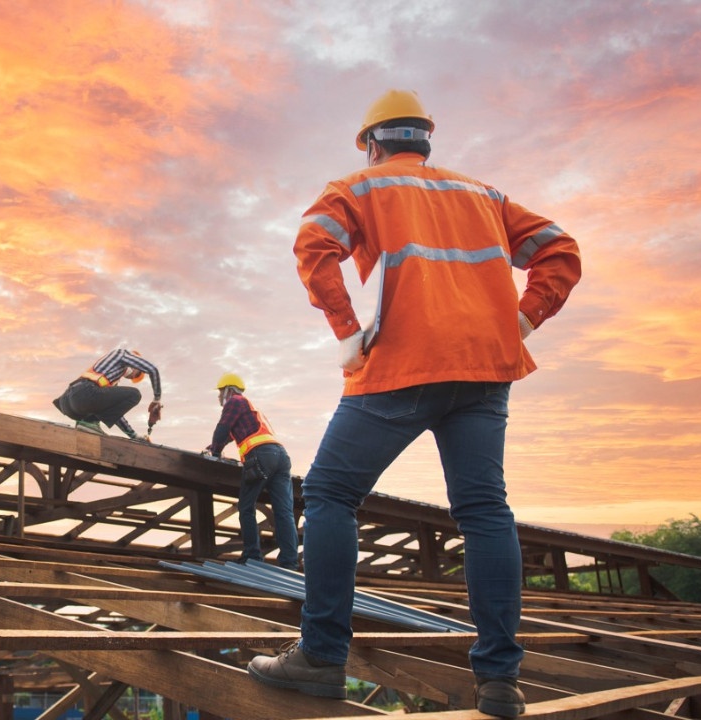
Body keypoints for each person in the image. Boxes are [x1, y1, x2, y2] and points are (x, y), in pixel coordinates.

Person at [247, 89, 581, 718]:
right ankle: (501, 681)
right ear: (425, 141)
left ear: (373, 144)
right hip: (485, 369)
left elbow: (314, 245)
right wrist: (523, 321)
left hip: (404, 363)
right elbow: (561, 251)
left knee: (329, 495)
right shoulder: (483, 194)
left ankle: (320, 657)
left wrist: (347, 332)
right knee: (484, 509)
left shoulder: (362, 187)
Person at [202, 373, 300, 570]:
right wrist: (212, 446)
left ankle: (252, 556)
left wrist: (215, 454)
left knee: (246, 507)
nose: (219, 397)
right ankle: (290, 563)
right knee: (284, 512)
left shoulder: (235, 402)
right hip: (281, 457)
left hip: (262, 456)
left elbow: (222, 428)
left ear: (229, 390)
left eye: (221, 392)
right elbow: (229, 434)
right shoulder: (251, 409)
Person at [53, 348, 162, 441]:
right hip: (83, 395)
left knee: (115, 401)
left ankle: (86, 424)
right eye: (137, 374)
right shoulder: (122, 354)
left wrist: (134, 435)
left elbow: (114, 413)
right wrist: (156, 400)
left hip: (68, 403)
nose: (132, 378)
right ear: (135, 364)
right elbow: (153, 369)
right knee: (135, 394)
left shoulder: (110, 378)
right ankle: (90, 422)